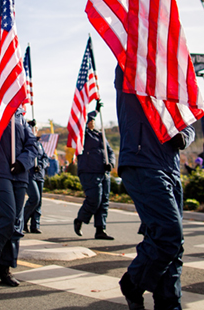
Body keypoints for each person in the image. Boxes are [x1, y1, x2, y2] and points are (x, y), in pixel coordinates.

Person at [115, 66, 195, 310]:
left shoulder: (173, 84)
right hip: (142, 162)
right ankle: (133, 283)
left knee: (172, 243)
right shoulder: (131, 70)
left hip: (170, 166)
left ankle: (169, 303)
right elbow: (125, 61)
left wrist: (185, 135)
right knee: (169, 233)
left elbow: (188, 120)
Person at [0, 107, 38, 287]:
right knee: (7, 216)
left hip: (18, 175)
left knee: (15, 223)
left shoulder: (20, 118)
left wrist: (22, 162)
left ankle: (6, 268)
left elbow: (32, 145)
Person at [73, 109, 116, 240]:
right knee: (94, 199)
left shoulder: (100, 135)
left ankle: (100, 230)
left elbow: (110, 152)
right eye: (90, 120)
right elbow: (80, 123)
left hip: (103, 172)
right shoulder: (82, 135)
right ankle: (80, 219)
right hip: (89, 171)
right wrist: (95, 111)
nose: (92, 123)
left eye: (93, 121)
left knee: (104, 201)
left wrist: (111, 164)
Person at [23, 128, 50, 234]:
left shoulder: (39, 144)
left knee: (39, 202)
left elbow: (45, 158)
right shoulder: (26, 142)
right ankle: (23, 221)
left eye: (36, 128)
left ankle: (35, 225)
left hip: (39, 175)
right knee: (34, 198)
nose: (35, 129)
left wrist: (40, 165)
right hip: (29, 174)